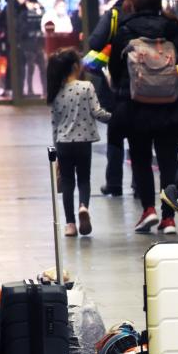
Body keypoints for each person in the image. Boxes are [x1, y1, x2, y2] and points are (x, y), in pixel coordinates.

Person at [109, 0, 178, 234]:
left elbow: (115, 69)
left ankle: (148, 209)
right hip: (169, 106)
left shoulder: (126, 29)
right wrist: (171, 84)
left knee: (140, 159)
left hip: (136, 106)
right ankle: (168, 217)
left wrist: (125, 88)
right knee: (168, 160)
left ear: (134, 4)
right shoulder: (171, 27)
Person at [47, 48, 111, 237]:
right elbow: (98, 113)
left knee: (67, 182)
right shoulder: (86, 87)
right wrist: (115, 118)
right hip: (84, 142)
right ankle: (83, 206)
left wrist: (56, 150)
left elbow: (55, 125)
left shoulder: (56, 92)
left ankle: (70, 224)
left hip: (64, 143)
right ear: (75, 66)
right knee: (84, 179)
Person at [88, 0, 138, 197]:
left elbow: (95, 42)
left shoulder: (114, 15)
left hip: (116, 83)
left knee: (116, 134)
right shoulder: (152, 14)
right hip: (144, 83)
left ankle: (114, 183)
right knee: (140, 136)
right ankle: (139, 183)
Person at [18, 0, 46, 97]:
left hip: (38, 45)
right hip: (29, 46)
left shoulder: (37, 13)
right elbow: (22, 30)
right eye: (31, 3)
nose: (32, 5)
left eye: (34, 3)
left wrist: (40, 8)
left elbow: (42, 21)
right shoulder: (24, 15)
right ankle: (30, 91)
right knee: (30, 69)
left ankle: (45, 91)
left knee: (42, 69)